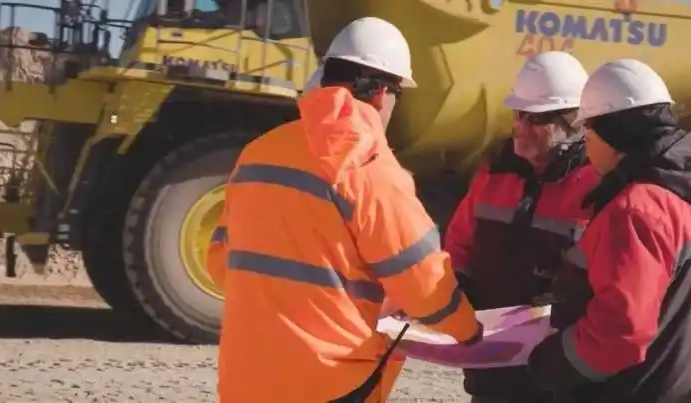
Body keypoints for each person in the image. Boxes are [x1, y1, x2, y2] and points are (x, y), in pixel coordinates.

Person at [206, 16, 483, 403]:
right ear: (382, 94)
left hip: (246, 379)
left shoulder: (258, 153)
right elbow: (422, 280)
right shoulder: (369, 165)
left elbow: (221, 261)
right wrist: (468, 329)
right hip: (328, 380)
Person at [526, 59, 691, 402]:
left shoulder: (637, 208)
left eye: (588, 131)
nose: (586, 144)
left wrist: (553, 361)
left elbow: (620, 332)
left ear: (612, 134)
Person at [444, 51, 599, 403]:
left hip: (559, 371)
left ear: (572, 121)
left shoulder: (598, 186)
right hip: (491, 365)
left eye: (535, 118)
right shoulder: (494, 174)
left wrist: (563, 305)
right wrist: (460, 284)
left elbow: (611, 279)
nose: (521, 126)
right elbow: (459, 243)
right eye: (518, 114)